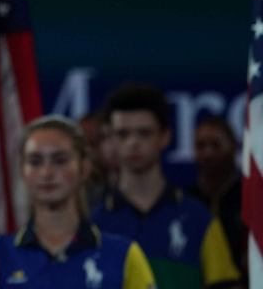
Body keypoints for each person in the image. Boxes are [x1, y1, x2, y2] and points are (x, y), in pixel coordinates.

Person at [0, 115, 157, 289]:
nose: (46, 173)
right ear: (23, 172)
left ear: (84, 168)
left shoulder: (123, 255)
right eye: (35, 161)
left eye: (60, 160)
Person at [93, 83, 242, 289]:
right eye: (123, 134)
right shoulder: (92, 223)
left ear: (165, 137)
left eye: (144, 133)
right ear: (109, 139)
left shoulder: (199, 220)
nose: (133, 142)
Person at [188, 116, 246, 276]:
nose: (208, 153)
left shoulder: (250, 198)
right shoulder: (186, 201)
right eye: (201, 146)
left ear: (234, 146)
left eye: (216, 145)